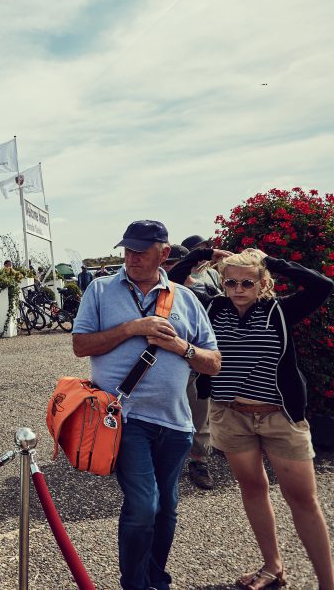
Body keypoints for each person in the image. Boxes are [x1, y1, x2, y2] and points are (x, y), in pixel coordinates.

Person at [170, 246, 334, 590]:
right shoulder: (213, 307)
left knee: (303, 498)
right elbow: (171, 282)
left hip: (279, 417)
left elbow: (322, 286)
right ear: (223, 284)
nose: (239, 289)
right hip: (231, 415)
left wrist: (270, 260)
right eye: (231, 283)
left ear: (263, 283)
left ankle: (327, 582)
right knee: (253, 488)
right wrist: (203, 252)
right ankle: (273, 568)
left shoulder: (279, 310)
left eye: (247, 283)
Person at [72, 219, 221, 590]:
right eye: (128, 249)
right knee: (143, 506)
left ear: (164, 253)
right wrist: (132, 328)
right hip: (124, 418)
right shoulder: (101, 290)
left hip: (175, 422)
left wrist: (181, 348)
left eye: (141, 250)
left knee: (167, 507)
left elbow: (214, 362)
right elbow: (80, 346)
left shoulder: (186, 299)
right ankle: (134, 584)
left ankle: (157, 577)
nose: (132, 257)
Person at [160, 243, 214, 489]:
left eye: (172, 263)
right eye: (165, 263)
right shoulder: (159, 291)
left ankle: (198, 460)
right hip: (166, 367)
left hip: (196, 365)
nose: (166, 268)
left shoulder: (204, 290)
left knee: (198, 413)